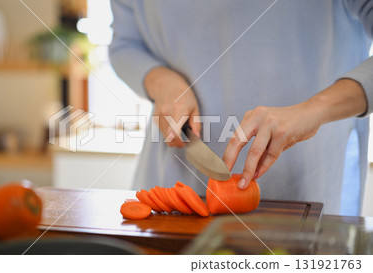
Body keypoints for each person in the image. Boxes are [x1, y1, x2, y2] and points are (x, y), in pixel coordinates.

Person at [109, 0, 373, 215]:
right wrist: (161, 81)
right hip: (172, 180)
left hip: (306, 188)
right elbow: (125, 43)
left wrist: (315, 109)